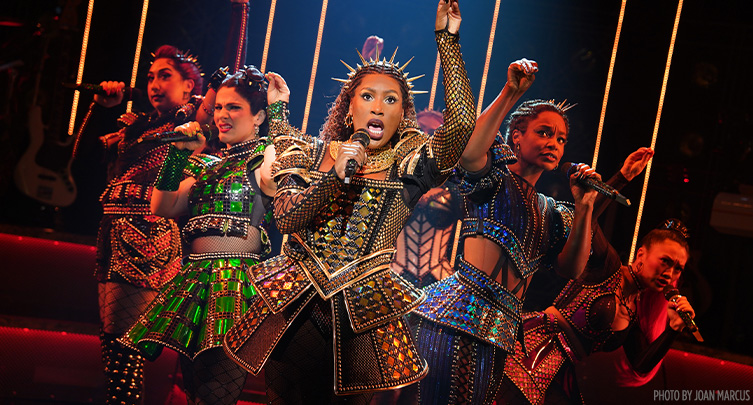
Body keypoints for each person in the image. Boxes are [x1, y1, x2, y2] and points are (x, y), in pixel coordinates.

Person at [222, 1, 475, 403]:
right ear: (349, 107)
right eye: (368, 96)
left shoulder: (410, 167)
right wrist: (333, 174)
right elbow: (286, 219)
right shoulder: (310, 152)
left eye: (391, 100)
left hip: (365, 314)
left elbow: (461, 126)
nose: (378, 106)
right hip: (297, 304)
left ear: (402, 115)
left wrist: (448, 41)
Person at [413, 59, 600, 404]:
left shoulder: (552, 211)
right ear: (516, 136)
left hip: (502, 334)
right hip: (455, 319)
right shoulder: (494, 178)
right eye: (544, 133)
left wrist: (585, 205)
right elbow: (470, 152)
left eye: (561, 139)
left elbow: (572, 269)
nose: (554, 143)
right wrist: (510, 92)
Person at [117, 66, 275, 404]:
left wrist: (279, 112)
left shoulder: (265, 159)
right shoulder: (206, 165)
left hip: (236, 285)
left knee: (215, 392)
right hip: (196, 280)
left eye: (234, 107)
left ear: (259, 116)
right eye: (219, 107)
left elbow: (279, 173)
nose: (222, 115)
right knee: (195, 392)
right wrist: (177, 155)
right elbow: (162, 205)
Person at [501, 151, 698, 405]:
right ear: (641, 254)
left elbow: (640, 364)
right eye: (665, 261)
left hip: (561, 370)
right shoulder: (609, 267)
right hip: (530, 347)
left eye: (678, 268)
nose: (669, 273)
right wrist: (622, 178)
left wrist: (672, 329)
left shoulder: (635, 311)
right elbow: (587, 219)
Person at [93, 44, 207, 404]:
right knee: (113, 349)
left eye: (166, 76)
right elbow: (80, 159)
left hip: (146, 233)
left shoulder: (190, 123)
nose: (155, 84)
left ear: (189, 86)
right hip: (112, 230)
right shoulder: (138, 126)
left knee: (124, 350)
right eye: (151, 77)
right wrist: (102, 106)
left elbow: (217, 99)